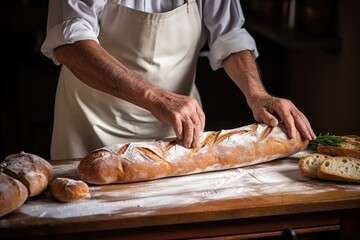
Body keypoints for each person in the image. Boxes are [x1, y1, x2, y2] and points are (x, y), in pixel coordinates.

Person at [41, 0, 316, 159]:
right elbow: (71, 43)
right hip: (91, 128)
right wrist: (156, 96)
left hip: (177, 131)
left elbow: (229, 33)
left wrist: (257, 94)